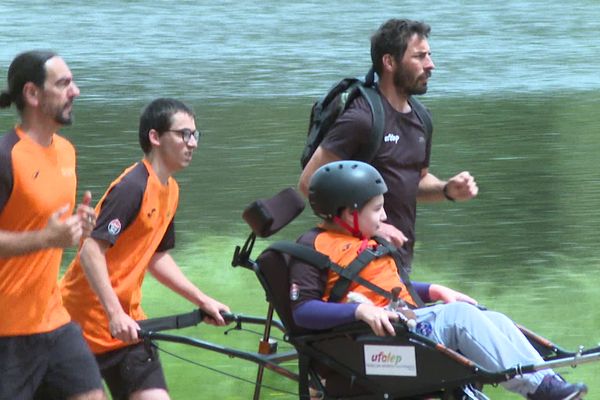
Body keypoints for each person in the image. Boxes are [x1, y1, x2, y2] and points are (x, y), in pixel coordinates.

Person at [290, 160, 587, 400]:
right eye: (377, 209)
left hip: (406, 325)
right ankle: (541, 390)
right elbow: (302, 311)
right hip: (376, 340)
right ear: (348, 212)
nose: (383, 217)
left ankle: (547, 380)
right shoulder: (312, 246)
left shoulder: (362, 239)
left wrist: (434, 290)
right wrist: (360, 310)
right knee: (460, 317)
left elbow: (391, 288)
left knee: (490, 317)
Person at [60, 98, 230, 400]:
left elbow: (157, 256)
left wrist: (203, 299)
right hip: (80, 328)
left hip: (129, 326)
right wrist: (114, 314)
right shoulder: (132, 186)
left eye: (195, 135)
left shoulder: (171, 190)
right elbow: (89, 250)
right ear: (155, 137)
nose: (193, 143)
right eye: (184, 134)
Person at [298, 18, 478, 269]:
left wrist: (446, 189)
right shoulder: (361, 118)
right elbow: (310, 183)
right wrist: (377, 227)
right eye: (419, 57)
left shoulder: (421, 118)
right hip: (355, 261)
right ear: (389, 62)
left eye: (429, 55)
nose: (430, 65)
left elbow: (413, 181)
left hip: (398, 260)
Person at [0, 50, 106, 399]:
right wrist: (46, 238)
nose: (75, 91)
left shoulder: (66, 152)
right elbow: (42, 234)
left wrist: (77, 226)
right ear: (32, 94)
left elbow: (43, 222)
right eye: (63, 84)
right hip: (6, 333)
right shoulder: (6, 157)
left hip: (54, 320)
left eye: (72, 82)